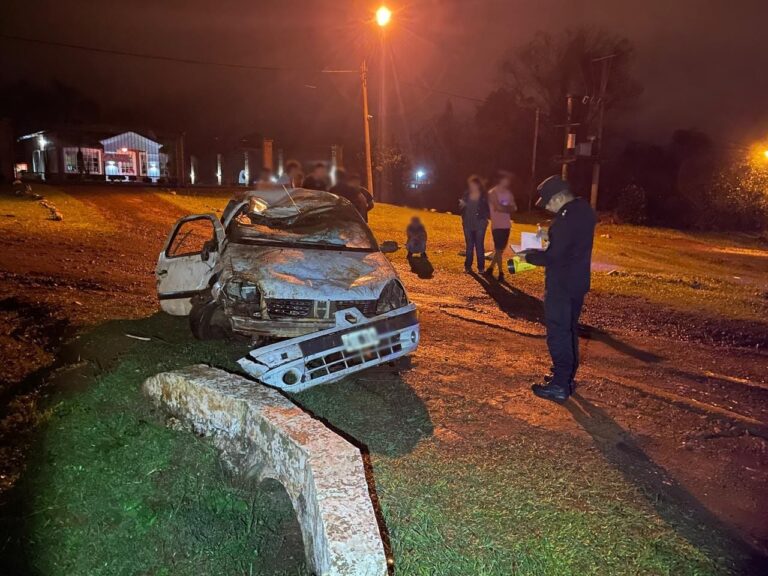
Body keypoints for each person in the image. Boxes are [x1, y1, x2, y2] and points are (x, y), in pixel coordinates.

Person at [518, 175, 596, 402]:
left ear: (560, 196)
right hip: (578, 282)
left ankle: (560, 384)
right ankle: (566, 375)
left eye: (549, 202)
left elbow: (553, 257)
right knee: (569, 329)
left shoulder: (565, 219)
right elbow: (570, 244)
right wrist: (550, 235)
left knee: (558, 332)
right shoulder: (583, 210)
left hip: (561, 285)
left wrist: (528, 256)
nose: (548, 208)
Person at [486, 171, 518, 281]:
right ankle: (501, 273)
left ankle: (490, 269)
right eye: (506, 179)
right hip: (497, 225)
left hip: (506, 225)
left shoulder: (508, 193)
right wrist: (506, 208)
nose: (508, 182)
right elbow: (498, 207)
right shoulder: (493, 193)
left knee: (500, 250)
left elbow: (514, 208)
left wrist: (504, 208)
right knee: (499, 250)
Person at [459, 175, 490, 273]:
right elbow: (461, 207)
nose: (471, 186)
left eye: (473, 184)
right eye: (470, 184)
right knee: (469, 246)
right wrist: (462, 206)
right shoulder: (466, 194)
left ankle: (481, 268)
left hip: (479, 224)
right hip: (468, 223)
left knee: (479, 246)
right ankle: (468, 267)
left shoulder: (483, 196)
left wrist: (484, 219)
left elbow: (488, 209)